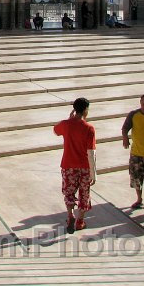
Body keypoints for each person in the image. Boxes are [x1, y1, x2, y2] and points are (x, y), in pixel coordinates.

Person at [54, 98, 97, 233]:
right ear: (85, 110)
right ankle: (80, 221)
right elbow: (91, 152)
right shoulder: (89, 128)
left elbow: (55, 131)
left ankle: (70, 214)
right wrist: (93, 173)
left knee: (69, 192)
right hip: (84, 166)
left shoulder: (66, 124)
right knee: (84, 194)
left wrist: (68, 119)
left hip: (68, 165)